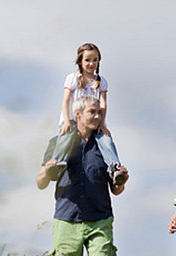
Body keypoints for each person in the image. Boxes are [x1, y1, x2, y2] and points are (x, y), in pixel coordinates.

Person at [37, 95, 129, 256]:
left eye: (99, 112)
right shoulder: (59, 141)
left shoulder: (106, 144)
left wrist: (122, 182)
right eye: (92, 112)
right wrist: (47, 170)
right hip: (66, 218)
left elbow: (116, 188)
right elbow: (40, 182)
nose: (97, 116)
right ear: (78, 114)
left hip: (100, 217)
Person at [48, 43, 126, 186]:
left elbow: (103, 104)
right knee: (66, 138)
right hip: (74, 119)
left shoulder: (101, 81)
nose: (92, 63)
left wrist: (102, 124)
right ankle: (57, 163)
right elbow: (66, 101)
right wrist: (66, 120)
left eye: (95, 60)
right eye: (88, 60)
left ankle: (114, 168)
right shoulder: (72, 78)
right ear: (80, 61)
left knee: (106, 140)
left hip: (94, 120)